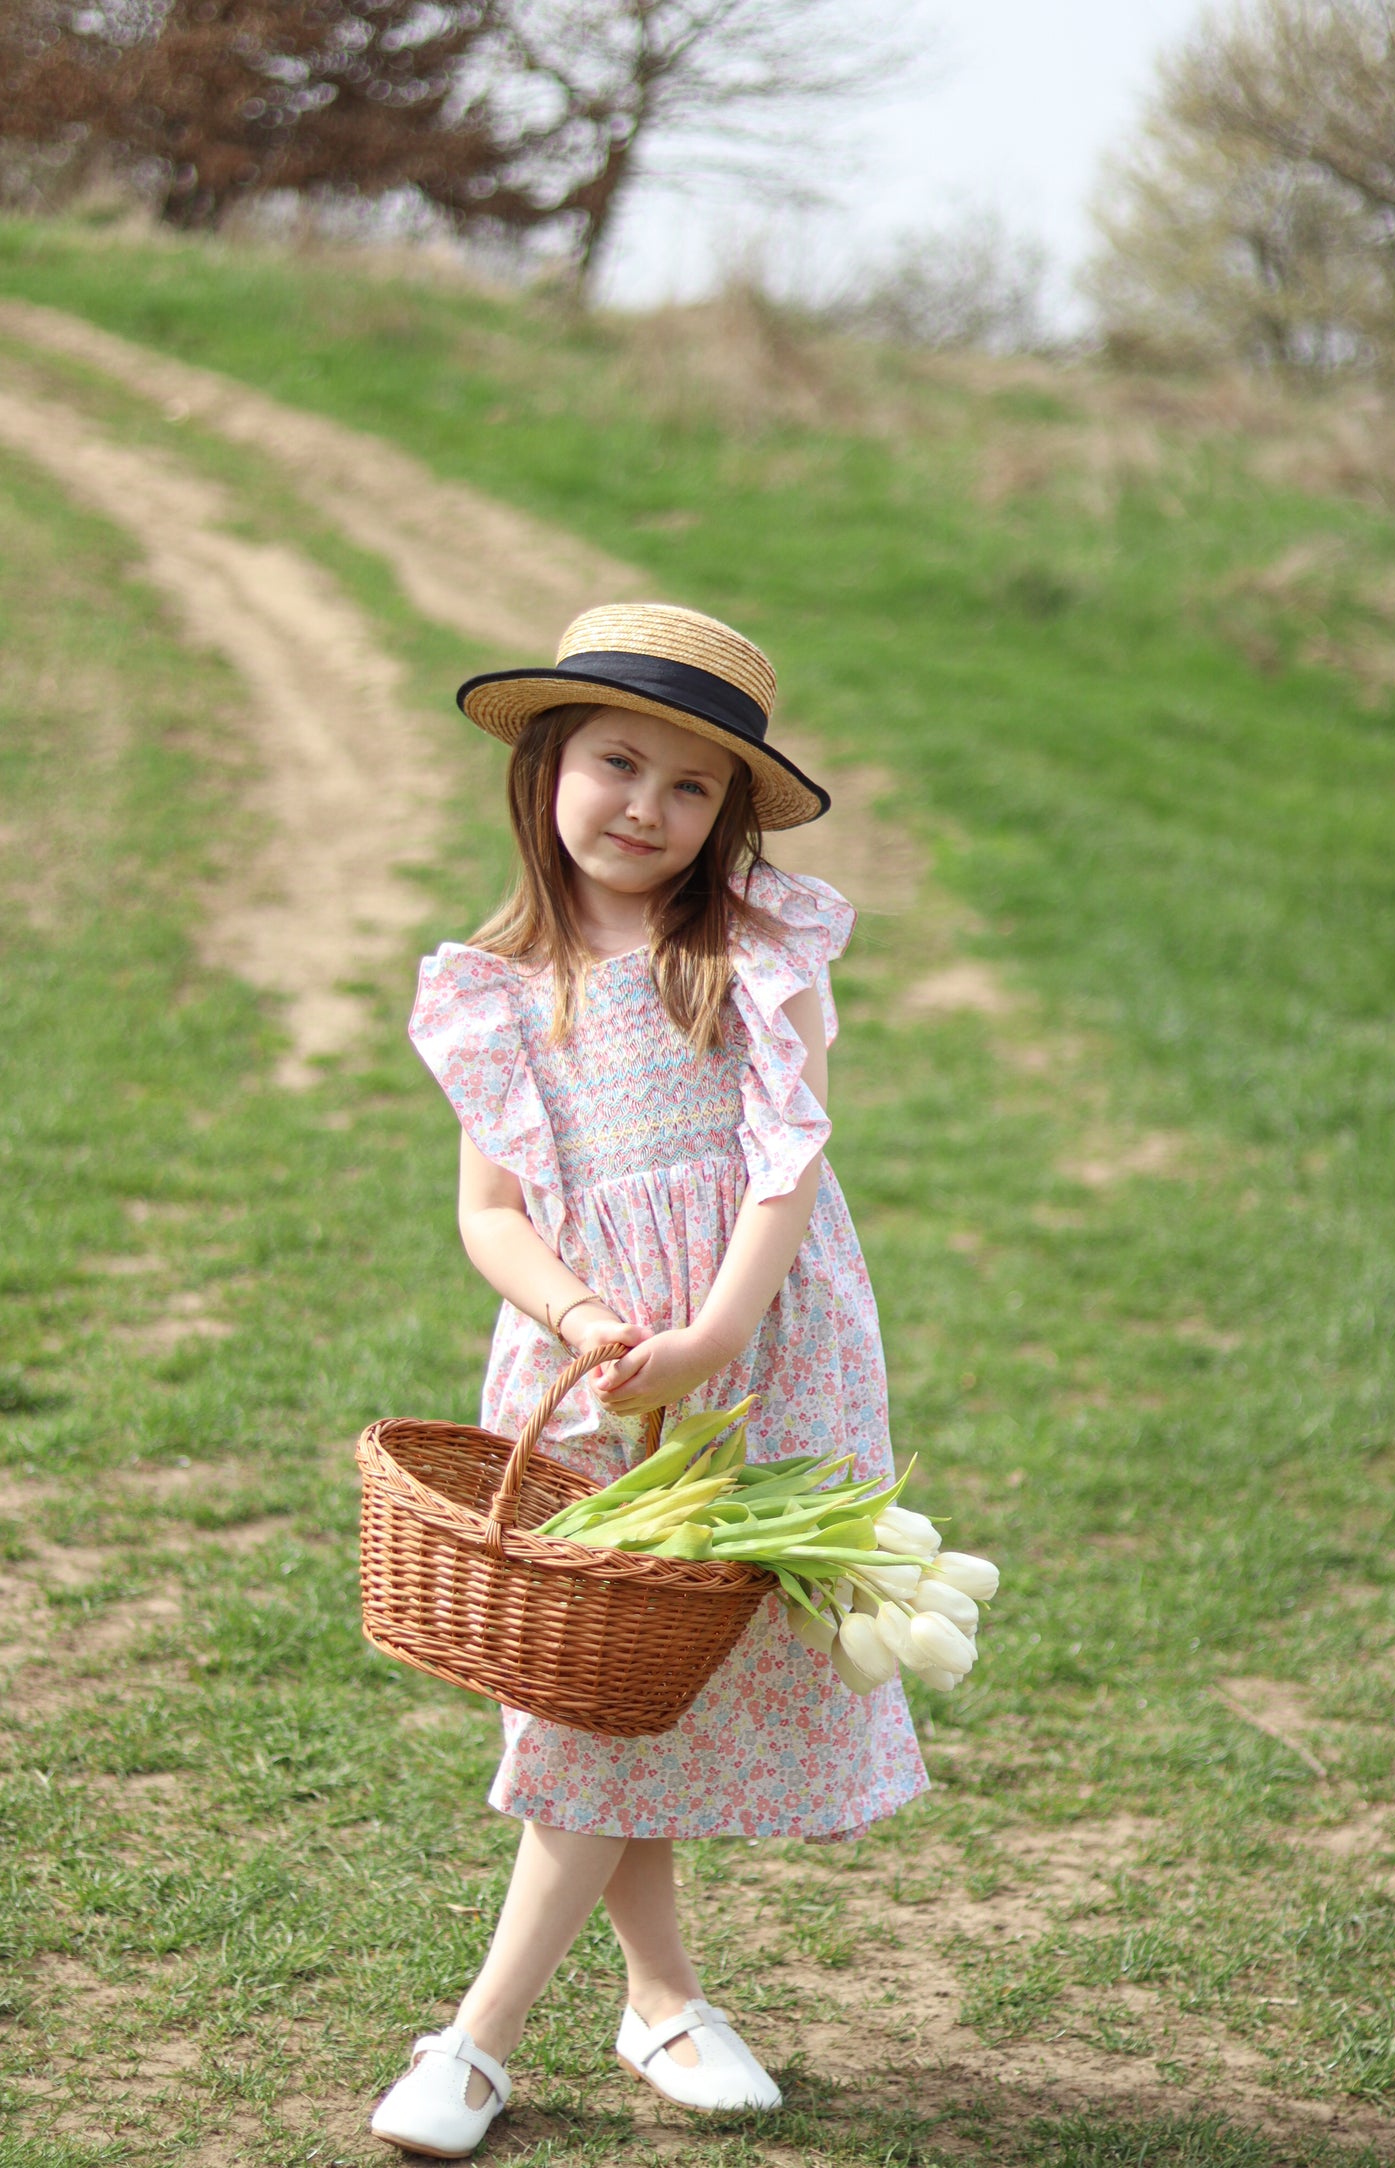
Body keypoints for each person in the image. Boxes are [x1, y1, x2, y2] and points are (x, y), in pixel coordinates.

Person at [371, 603, 927, 2157]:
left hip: (758, 1354)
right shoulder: (495, 983)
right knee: (601, 1688)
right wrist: (580, 1311)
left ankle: (486, 2042)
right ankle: (654, 2002)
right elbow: (491, 1211)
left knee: (640, 1692)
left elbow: (787, 1164)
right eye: (617, 762)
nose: (647, 808)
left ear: (727, 815)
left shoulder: (755, 947)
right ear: (546, 767)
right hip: (592, 1364)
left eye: (692, 788)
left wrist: (718, 1333)